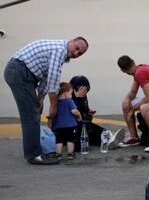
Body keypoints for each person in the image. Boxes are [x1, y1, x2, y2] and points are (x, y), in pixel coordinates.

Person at [4, 37, 88, 165]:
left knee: (33, 113)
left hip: (21, 73)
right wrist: (54, 105)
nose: (76, 53)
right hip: (20, 72)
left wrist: (41, 98)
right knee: (31, 115)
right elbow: (53, 79)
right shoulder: (60, 50)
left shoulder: (58, 51)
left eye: (80, 53)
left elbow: (45, 76)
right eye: (76, 48)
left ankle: (34, 152)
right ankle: (35, 155)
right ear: (71, 41)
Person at [69, 75, 125, 150]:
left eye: (86, 91)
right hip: (73, 128)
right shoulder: (68, 98)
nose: (85, 93)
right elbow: (74, 114)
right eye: (83, 90)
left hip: (83, 124)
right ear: (76, 88)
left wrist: (88, 112)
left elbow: (84, 115)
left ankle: (110, 140)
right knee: (93, 133)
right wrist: (78, 99)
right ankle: (108, 142)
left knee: (103, 131)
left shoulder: (83, 97)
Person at [50, 82, 82, 161]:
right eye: (71, 93)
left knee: (59, 140)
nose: (71, 96)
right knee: (70, 139)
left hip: (58, 125)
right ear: (65, 93)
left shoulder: (55, 102)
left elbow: (52, 112)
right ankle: (70, 154)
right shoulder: (69, 101)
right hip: (70, 125)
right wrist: (79, 116)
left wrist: (50, 121)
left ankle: (58, 154)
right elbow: (74, 111)